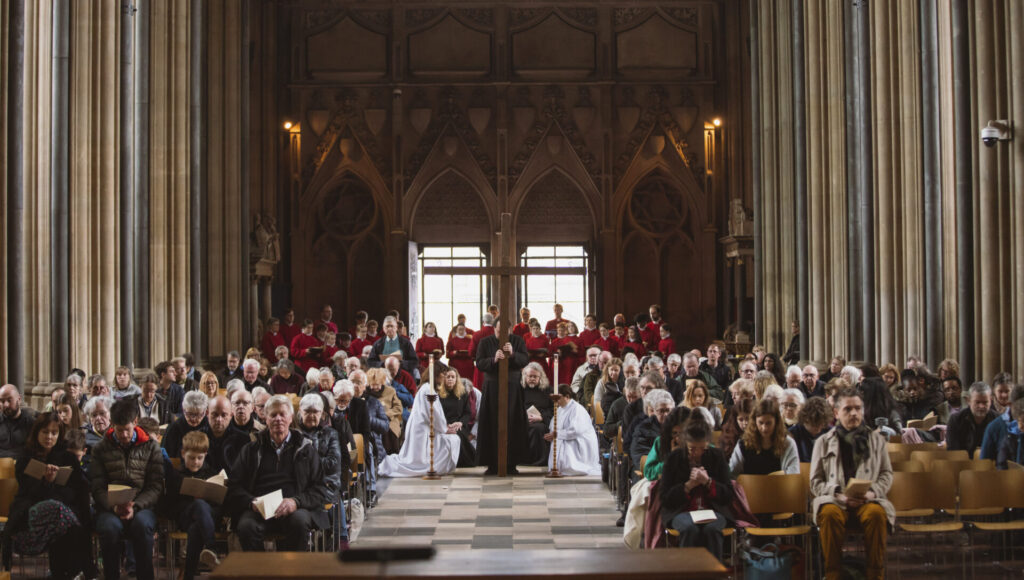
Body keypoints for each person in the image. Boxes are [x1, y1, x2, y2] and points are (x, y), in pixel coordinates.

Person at [811, 387, 894, 580]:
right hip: (837, 500)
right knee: (829, 513)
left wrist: (872, 493)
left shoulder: (876, 440)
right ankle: (833, 574)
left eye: (858, 408)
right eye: (848, 409)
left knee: (876, 514)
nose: (854, 413)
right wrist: (837, 493)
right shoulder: (823, 442)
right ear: (836, 412)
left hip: (867, 500)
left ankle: (875, 574)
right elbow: (815, 481)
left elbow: (886, 474)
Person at [227, 395, 329, 551]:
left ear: (291, 418)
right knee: (246, 526)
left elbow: (320, 488)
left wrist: (296, 502)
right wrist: (251, 502)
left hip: (294, 507)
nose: (278, 419)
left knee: (300, 522)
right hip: (259, 509)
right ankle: (260, 573)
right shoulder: (251, 449)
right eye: (273, 415)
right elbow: (234, 485)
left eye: (282, 414)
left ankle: (291, 571)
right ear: (266, 419)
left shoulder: (306, 449)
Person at [2, 413, 95, 578]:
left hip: (62, 515)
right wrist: (47, 482)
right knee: (57, 510)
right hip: (32, 513)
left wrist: (56, 485)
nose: (49, 437)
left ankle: (61, 574)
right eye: (45, 432)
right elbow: (27, 492)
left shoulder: (67, 457)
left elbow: (77, 490)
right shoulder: (26, 457)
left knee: (63, 523)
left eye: (54, 433)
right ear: (37, 432)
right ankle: (84, 571)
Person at [91, 397, 165, 580]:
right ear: (112, 425)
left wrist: (136, 505)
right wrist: (114, 506)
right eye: (119, 430)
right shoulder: (100, 449)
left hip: (141, 506)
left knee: (142, 525)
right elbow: (97, 487)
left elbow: (155, 486)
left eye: (127, 429)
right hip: (110, 507)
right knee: (109, 528)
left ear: (135, 422)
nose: (123, 435)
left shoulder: (151, 447)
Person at [658, 416, 733, 562]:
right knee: (689, 529)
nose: (697, 453)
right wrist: (688, 486)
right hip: (682, 510)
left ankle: (714, 573)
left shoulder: (716, 456)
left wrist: (708, 482)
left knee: (712, 529)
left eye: (702, 449)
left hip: (713, 510)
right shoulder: (674, 458)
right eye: (692, 449)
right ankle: (688, 573)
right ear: (685, 444)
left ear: (708, 444)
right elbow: (665, 498)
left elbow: (728, 495)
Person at [162, 431, 223, 580]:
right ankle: (211, 547)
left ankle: (188, 576)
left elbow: (219, 502)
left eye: (199, 458)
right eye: (191, 458)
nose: (195, 462)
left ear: (205, 455)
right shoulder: (176, 475)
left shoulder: (211, 473)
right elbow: (169, 505)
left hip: (208, 518)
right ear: (183, 454)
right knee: (197, 505)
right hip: (185, 517)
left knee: (196, 528)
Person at [475, 318, 530, 474]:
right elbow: (479, 363)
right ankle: (491, 464)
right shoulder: (485, 342)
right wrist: (493, 359)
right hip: (492, 386)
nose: (503, 334)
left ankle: (511, 463)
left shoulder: (517, 341)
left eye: (506, 331)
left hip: (512, 386)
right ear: (494, 329)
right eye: (500, 331)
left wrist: (512, 354)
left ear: (511, 330)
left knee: (513, 422)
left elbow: (525, 359)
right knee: (491, 423)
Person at [296, 393, 349, 548]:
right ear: (300, 412)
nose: (312, 415)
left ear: (322, 414)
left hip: (326, 484)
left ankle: (337, 538)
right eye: (308, 412)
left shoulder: (330, 434)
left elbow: (333, 462)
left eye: (316, 412)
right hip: (301, 486)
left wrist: (308, 463)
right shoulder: (294, 434)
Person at [379, 381, 461, 477]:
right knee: (450, 441)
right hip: (422, 430)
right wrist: (444, 428)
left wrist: (444, 427)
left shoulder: (426, 388)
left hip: (424, 427)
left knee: (453, 439)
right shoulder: (427, 389)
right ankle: (432, 467)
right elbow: (434, 414)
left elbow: (434, 415)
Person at [729, 398, 800, 477]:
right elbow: (732, 473)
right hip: (749, 489)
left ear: (776, 422)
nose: (764, 428)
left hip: (779, 488)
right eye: (760, 423)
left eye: (768, 423)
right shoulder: (743, 443)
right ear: (754, 422)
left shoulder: (788, 443)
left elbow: (793, 474)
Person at [544, 384, 601, 476]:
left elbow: (576, 431)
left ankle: (568, 467)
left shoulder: (577, 409)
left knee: (565, 445)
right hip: (565, 436)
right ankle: (557, 467)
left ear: (567, 396)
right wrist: (553, 434)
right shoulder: (560, 409)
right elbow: (553, 425)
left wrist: (558, 434)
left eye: (558, 398)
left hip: (579, 440)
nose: (556, 401)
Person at [436, 366, 476, 467]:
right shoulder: (438, 395)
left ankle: (461, 462)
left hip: (459, 424)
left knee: (458, 433)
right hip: (443, 424)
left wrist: (460, 423)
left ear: (456, 379)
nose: (450, 379)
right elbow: (437, 413)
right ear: (443, 379)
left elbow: (467, 413)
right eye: (447, 376)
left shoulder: (463, 394)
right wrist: (445, 425)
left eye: (453, 377)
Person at [946, 382, 998, 458]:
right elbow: (953, 451)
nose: (981, 406)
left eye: (985, 402)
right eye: (977, 402)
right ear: (968, 400)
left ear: (991, 400)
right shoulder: (956, 420)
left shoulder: (998, 420)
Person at [629, 389, 675, 471]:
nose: (665, 414)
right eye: (661, 411)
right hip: (652, 472)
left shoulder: (679, 428)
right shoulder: (643, 429)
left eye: (668, 410)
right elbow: (641, 459)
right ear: (655, 412)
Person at [642, 407, 691, 481]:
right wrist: (670, 459)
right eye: (675, 433)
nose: (678, 438)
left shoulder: (699, 442)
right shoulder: (661, 441)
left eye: (683, 433)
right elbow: (649, 472)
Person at [163, 391, 211, 459]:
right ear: (183, 410)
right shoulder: (174, 428)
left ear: (205, 412)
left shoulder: (210, 427)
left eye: (198, 414)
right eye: (189, 414)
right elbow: (166, 456)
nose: (193, 419)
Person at [366, 368, 403, 452]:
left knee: (389, 432)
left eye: (378, 384)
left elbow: (398, 408)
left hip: (390, 420)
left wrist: (385, 414)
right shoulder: (365, 392)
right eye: (373, 384)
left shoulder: (390, 391)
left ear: (382, 382)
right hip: (372, 421)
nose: (375, 387)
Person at [789, 396, 833, 462]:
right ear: (805, 419)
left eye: (821, 425)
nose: (818, 429)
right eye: (814, 425)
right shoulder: (792, 434)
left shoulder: (830, 432)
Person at [0, 384, 38, 458]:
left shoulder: (32, 423)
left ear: (19, 399)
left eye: (9, 400)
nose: (5, 405)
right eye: (2, 401)